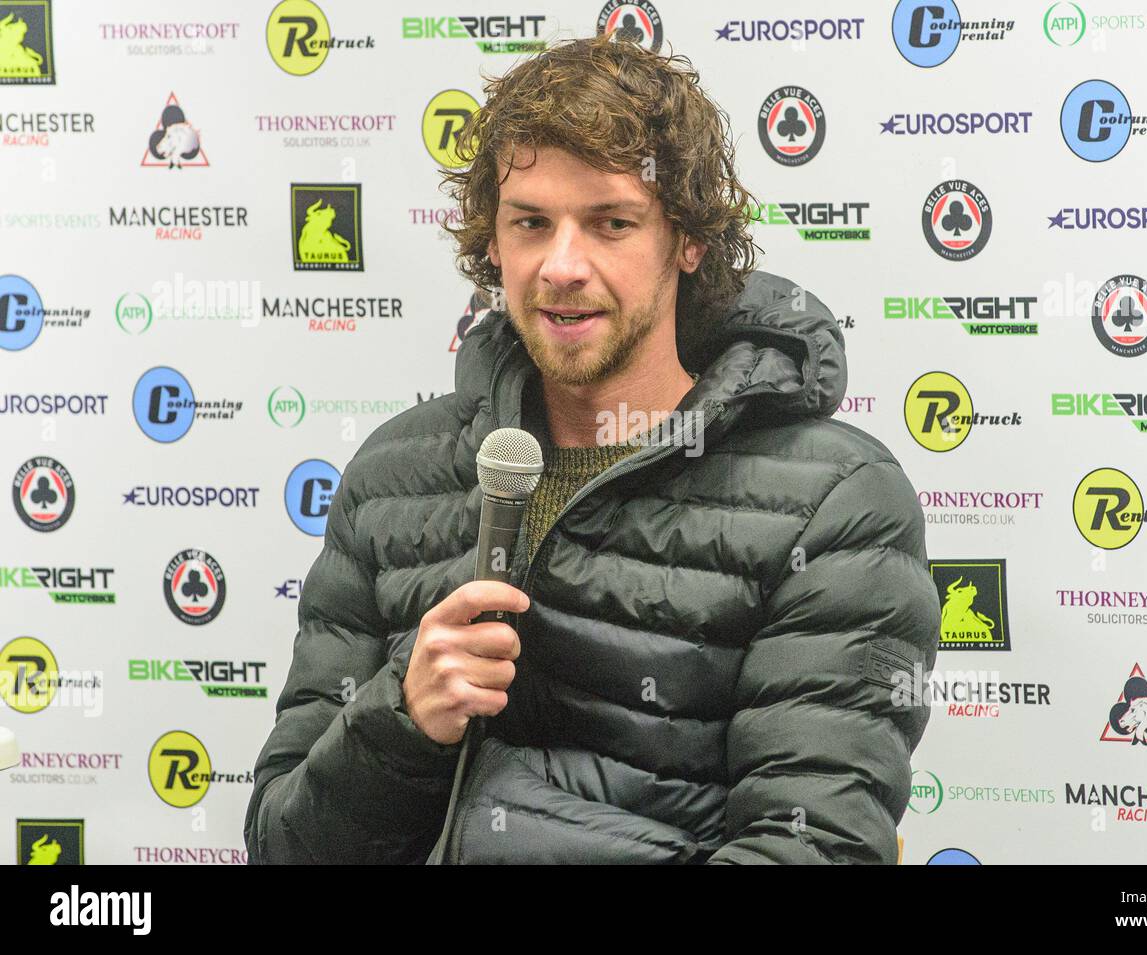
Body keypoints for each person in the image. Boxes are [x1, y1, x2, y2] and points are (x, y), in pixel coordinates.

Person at [244, 32, 939, 865]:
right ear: (491, 243)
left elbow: (814, 845)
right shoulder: (393, 477)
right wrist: (402, 718)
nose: (562, 266)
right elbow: (284, 845)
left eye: (611, 222)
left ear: (686, 240)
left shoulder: (831, 500)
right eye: (532, 223)